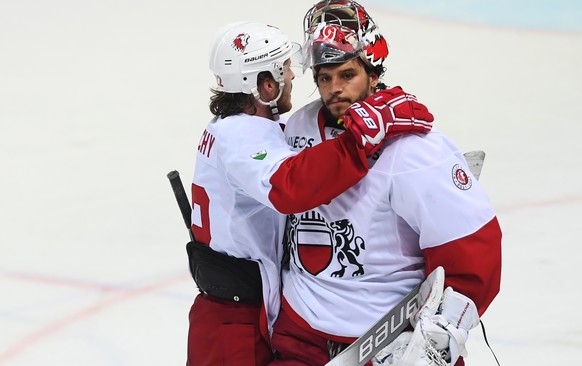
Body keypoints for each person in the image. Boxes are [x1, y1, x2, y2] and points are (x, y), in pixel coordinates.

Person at [186, 20, 434, 366]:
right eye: (284, 69)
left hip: (235, 309)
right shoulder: (242, 138)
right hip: (234, 322)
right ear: (265, 85)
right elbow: (291, 187)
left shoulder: (242, 129)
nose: (293, 76)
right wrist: (365, 132)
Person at [270, 1, 502, 365]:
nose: (334, 90)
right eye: (324, 78)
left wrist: (438, 339)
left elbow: (475, 249)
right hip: (300, 338)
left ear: (373, 73)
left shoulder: (417, 149)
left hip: (388, 345)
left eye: (347, 75)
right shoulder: (296, 128)